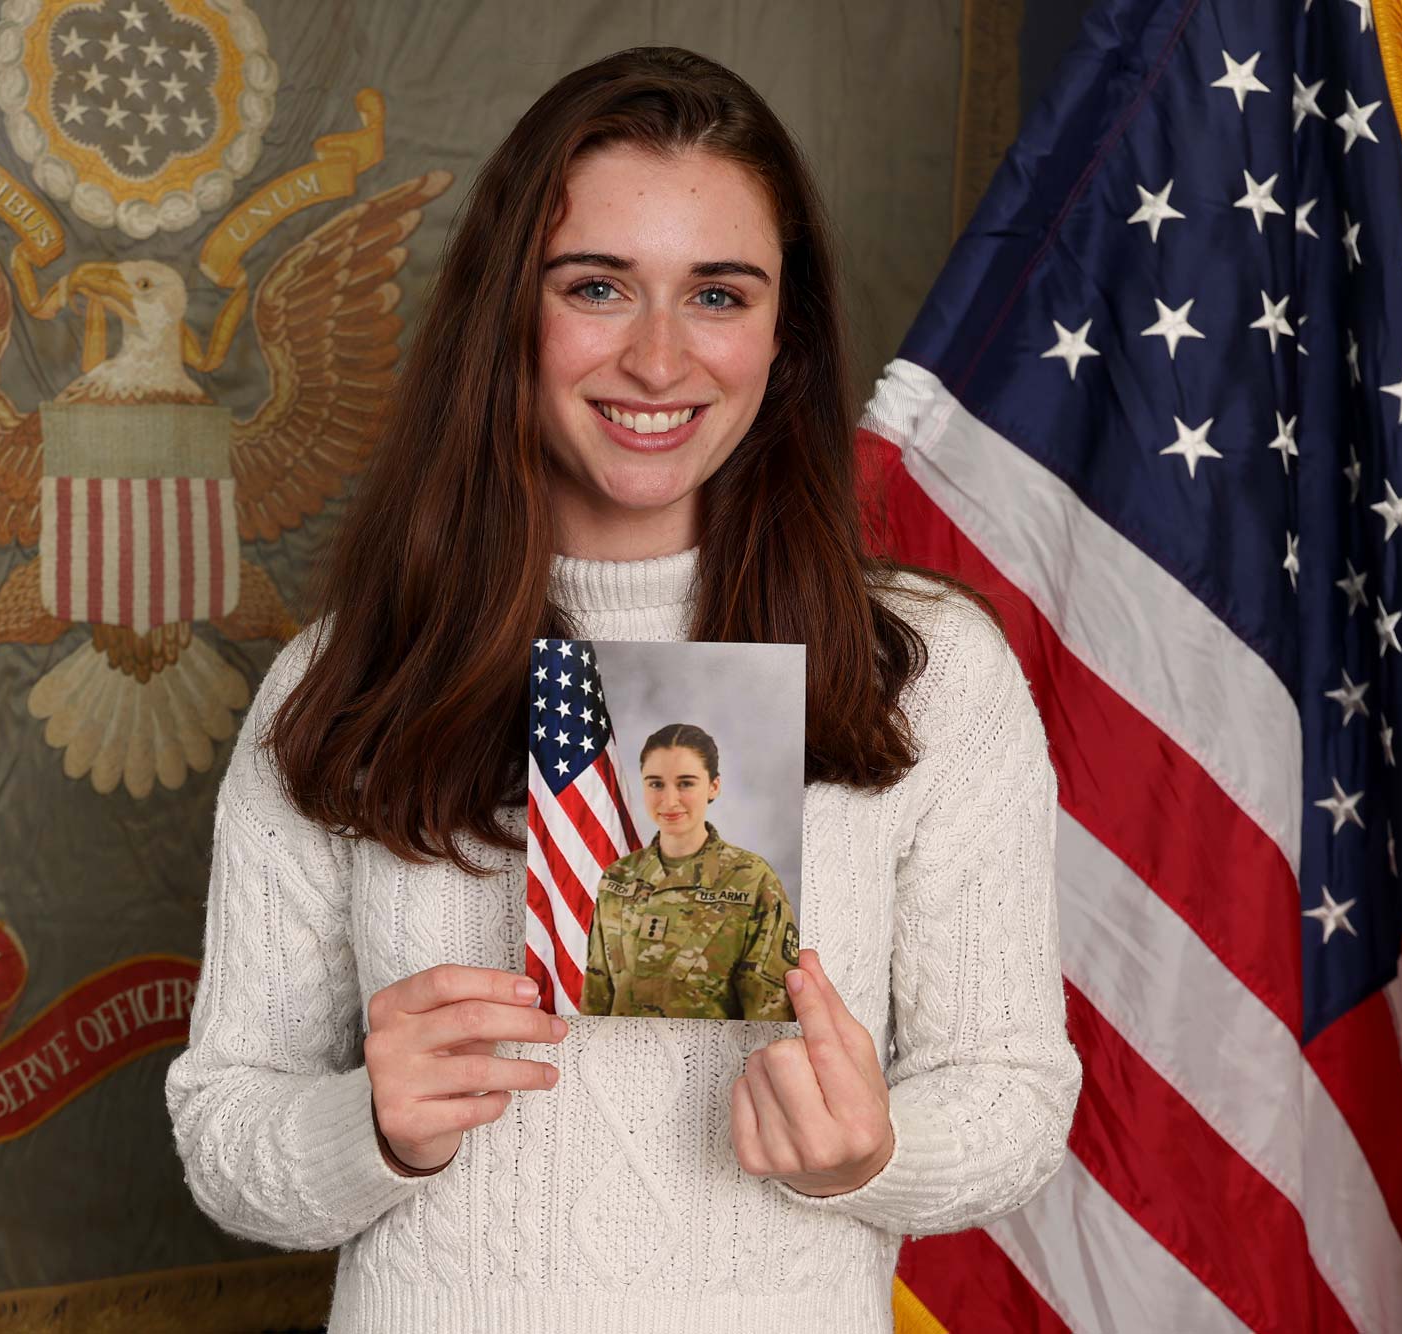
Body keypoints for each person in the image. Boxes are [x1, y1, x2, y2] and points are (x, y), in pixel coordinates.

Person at [165, 45, 1080, 1334]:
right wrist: (366, 1123)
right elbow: (222, 1129)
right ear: (508, 314)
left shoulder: (926, 675)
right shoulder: (345, 678)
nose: (658, 359)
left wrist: (869, 1152)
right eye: (597, 286)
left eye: (717, 293)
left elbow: (1013, 1099)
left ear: (784, 333)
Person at [580, 723, 801, 1020]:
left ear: (713, 786)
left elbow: (770, 1017)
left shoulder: (752, 879)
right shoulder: (617, 878)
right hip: (620, 1059)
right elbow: (596, 998)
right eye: (656, 784)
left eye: (686, 783)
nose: (669, 801)